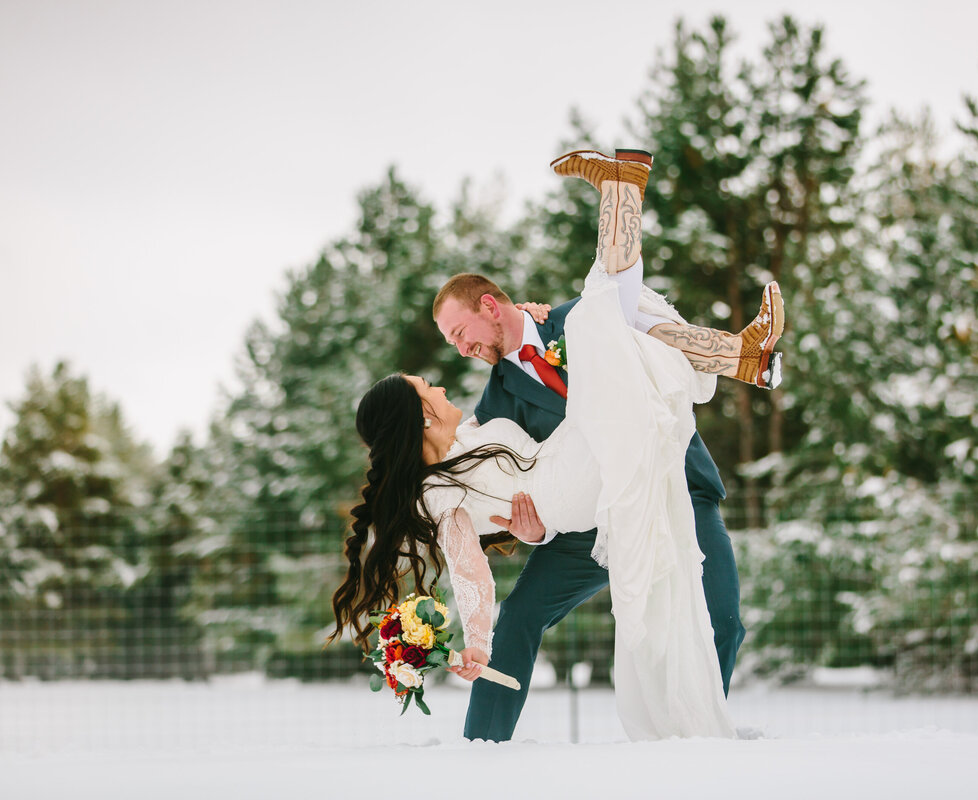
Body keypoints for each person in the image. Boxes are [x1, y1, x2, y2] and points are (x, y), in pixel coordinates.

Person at [331, 149, 783, 740]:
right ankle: (482, 745)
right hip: (578, 515)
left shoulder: (567, 322)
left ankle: (698, 739)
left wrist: (552, 326)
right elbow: (482, 506)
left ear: (491, 307)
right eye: (450, 346)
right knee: (521, 614)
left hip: (670, 479)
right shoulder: (490, 406)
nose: (459, 352)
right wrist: (528, 531)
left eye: (462, 333)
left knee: (721, 616)